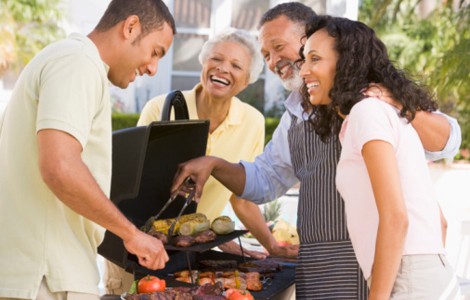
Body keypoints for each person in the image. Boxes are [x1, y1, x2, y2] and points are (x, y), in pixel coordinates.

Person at [170, 2, 462, 299]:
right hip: (320, 269)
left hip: (374, 267)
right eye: (266, 55)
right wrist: (216, 164)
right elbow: (264, 179)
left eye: (278, 47)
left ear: (310, 38)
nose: (272, 62)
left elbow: (447, 141)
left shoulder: (369, 106)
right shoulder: (293, 118)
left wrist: (399, 102)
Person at [0, 0, 175, 299]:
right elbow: (60, 167)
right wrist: (132, 235)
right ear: (131, 27)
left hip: (43, 274)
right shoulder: (77, 62)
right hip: (47, 278)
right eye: (155, 52)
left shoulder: (69, 60)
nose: (152, 68)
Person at [103, 27, 294, 295]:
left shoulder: (253, 122)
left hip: (190, 253)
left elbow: (241, 197)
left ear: (248, 79)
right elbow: (133, 185)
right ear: (204, 63)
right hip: (136, 246)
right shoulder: (161, 109)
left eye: (236, 65)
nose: (223, 68)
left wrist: (272, 245)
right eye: (216, 59)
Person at [298, 15, 461, 299]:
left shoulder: (367, 113)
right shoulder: (384, 115)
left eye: (315, 59)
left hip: (410, 280)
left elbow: (396, 218)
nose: (303, 71)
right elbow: (440, 221)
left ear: (347, 62)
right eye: (304, 60)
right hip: (426, 275)